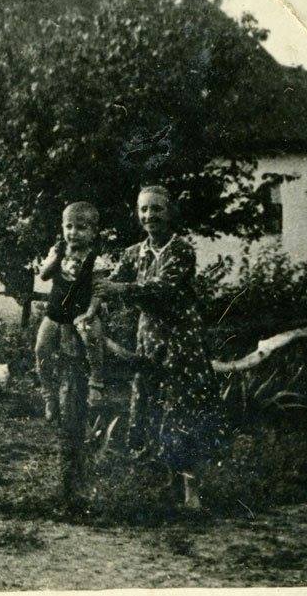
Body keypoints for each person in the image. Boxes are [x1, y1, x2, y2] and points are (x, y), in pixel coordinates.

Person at [95, 185, 223, 510]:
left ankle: (191, 493)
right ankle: (160, 484)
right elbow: (111, 282)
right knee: (149, 402)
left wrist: (118, 288)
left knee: (180, 408)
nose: (150, 215)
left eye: (157, 209)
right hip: (150, 337)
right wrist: (94, 299)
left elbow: (161, 289)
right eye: (144, 210)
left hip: (181, 341)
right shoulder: (134, 252)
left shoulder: (181, 250)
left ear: (170, 212)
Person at [35, 201, 106, 423]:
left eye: (81, 228)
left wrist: (92, 312)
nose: (73, 233)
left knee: (93, 338)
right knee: (41, 348)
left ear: (93, 233)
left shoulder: (95, 259)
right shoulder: (57, 251)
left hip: (82, 312)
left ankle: (96, 383)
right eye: (69, 227)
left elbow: (97, 291)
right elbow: (44, 276)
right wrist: (57, 256)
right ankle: (49, 395)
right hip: (56, 311)